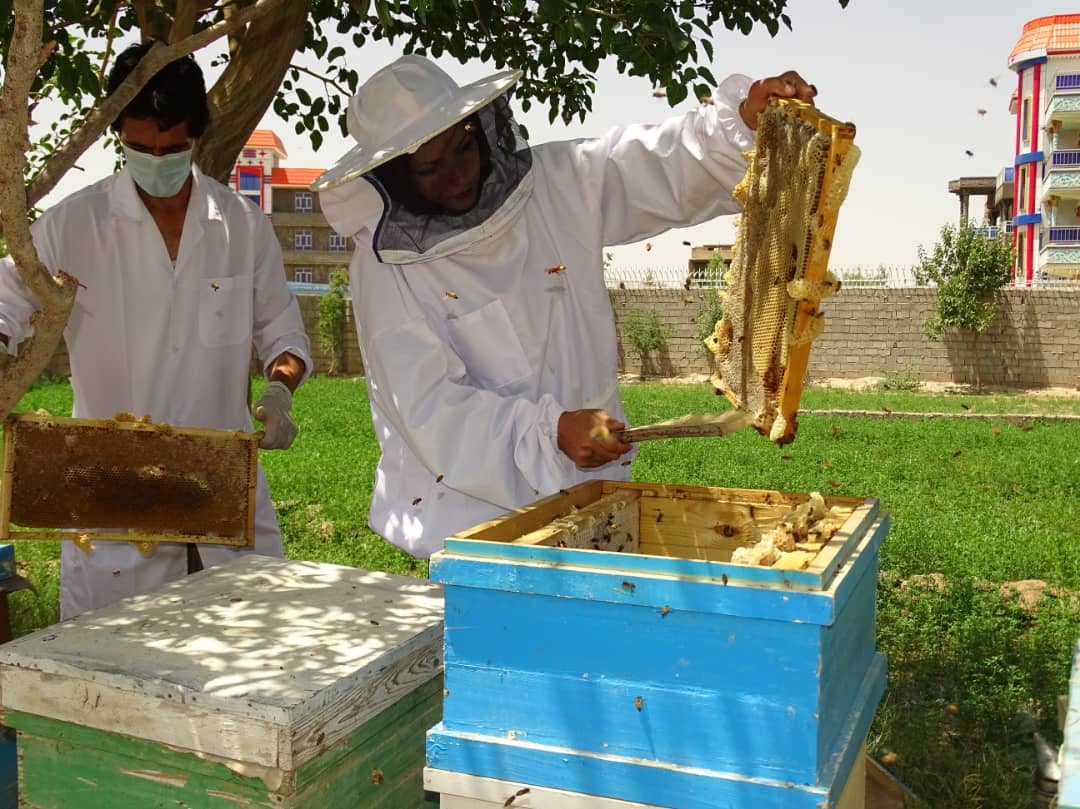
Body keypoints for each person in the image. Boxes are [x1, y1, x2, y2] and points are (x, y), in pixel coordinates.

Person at [314, 55, 816, 559]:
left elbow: (651, 164)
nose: (457, 174)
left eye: (463, 147)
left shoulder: (554, 185)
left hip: (592, 500)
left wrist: (740, 127)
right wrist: (550, 430)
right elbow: (428, 409)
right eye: (428, 167)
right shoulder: (385, 268)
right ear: (393, 175)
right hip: (467, 527)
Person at [0, 42, 312, 619]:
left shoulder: (240, 225)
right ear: (118, 133)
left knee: (240, 661)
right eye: (139, 147)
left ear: (198, 136)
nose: (156, 159)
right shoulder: (73, 223)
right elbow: (7, 301)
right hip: (113, 491)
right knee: (114, 678)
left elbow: (283, 333)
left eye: (172, 149)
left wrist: (278, 391)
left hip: (222, 487)